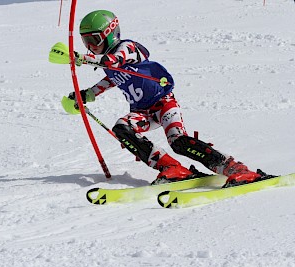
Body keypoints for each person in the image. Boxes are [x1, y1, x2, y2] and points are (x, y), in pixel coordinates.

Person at [63, 10, 268, 187]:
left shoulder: (128, 48)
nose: (91, 47)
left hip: (164, 104)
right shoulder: (109, 66)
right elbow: (110, 79)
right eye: (86, 42)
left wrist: (82, 58)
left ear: (110, 35)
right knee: (122, 128)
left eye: (94, 40)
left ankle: (235, 168)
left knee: (178, 142)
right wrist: (85, 95)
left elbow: (114, 62)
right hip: (143, 112)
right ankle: (171, 168)